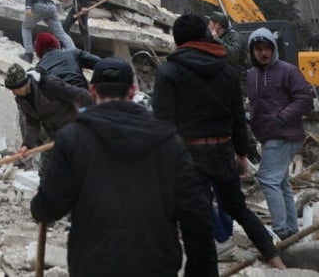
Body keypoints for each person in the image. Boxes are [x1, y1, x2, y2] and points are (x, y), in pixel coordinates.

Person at [31, 57, 217, 276]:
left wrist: (39, 206)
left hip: (93, 264)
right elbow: (196, 215)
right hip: (156, 264)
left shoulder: (73, 138)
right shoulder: (168, 141)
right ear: (132, 91)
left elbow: (50, 207)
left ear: (92, 91)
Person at [152, 14, 284, 269]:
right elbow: (237, 116)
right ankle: (278, 262)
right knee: (239, 209)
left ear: (177, 39)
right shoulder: (225, 70)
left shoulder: (169, 71)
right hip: (223, 151)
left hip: (188, 156)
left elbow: (162, 123)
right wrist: (242, 154)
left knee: (197, 225)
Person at [246, 27, 314, 239]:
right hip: (268, 135)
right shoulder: (252, 74)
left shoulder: (287, 70)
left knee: (267, 179)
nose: (263, 53)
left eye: (267, 48)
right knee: (281, 182)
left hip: (283, 134)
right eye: (258, 49)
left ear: (274, 49)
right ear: (252, 50)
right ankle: (291, 230)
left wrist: (281, 118)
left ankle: (281, 231)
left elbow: (305, 99)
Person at [5, 62, 91, 164]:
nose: (13, 93)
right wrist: (27, 145)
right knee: (46, 168)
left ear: (23, 84)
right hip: (54, 135)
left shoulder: (48, 84)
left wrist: (101, 109)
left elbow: (77, 94)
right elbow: (32, 122)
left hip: (73, 129)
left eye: (15, 89)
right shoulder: (21, 98)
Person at [5, 0, 74, 62]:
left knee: (26, 27)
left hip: (39, 6)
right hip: (51, 7)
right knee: (61, 33)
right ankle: (74, 53)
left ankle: (28, 54)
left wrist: (28, 7)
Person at [33, 32, 100, 90]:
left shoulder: (39, 68)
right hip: (83, 93)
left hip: (60, 100)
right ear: (56, 43)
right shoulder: (73, 53)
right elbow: (101, 63)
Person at [209, 13, 246, 87]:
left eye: (210, 24)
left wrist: (217, 40)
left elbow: (234, 56)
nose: (208, 27)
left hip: (237, 82)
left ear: (217, 26)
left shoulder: (234, 36)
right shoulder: (221, 37)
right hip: (224, 81)